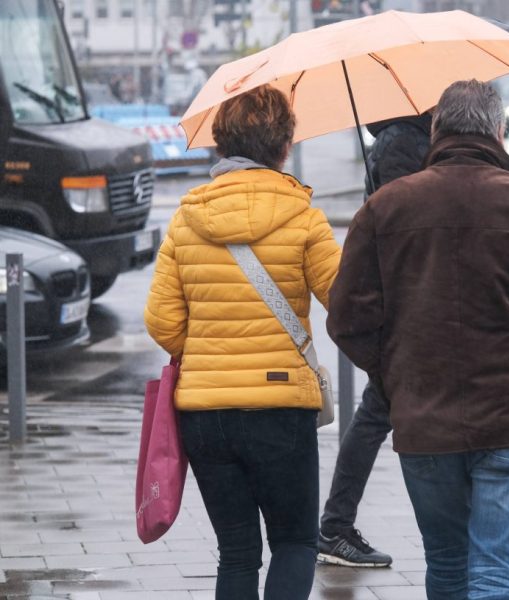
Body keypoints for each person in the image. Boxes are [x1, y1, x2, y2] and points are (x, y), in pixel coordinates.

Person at [327, 80, 509, 599]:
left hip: (425, 422)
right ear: (498, 130)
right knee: (494, 576)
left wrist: (397, 375)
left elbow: (347, 317)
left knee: (447, 566)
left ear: (438, 129)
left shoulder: (385, 209)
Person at [144, 85, 340, 600]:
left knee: (236, 552)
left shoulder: (187, 217)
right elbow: (346, 302)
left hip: (205, 415)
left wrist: (210, 349)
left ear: (221, 142)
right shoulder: (304, 216)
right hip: (281, 409)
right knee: (295, 541)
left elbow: (161, 322)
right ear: (284, 146)